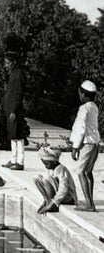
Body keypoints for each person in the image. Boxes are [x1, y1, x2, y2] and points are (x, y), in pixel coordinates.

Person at [70, 80, 100, 212]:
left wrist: (75, 147)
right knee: (88, 172)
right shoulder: (94, 107)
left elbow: (80, 129)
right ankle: (90, 201)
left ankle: (89, 203)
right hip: (95, 143)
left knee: (80, 172)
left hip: (87, 143)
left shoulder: (83, 108)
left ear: (83, 94)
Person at [1, 39, 27, 171]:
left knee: (18, 136)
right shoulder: (13, 73)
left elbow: (18, 93)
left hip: (14, 110)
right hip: (9, 109)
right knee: (12, 136)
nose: (5, 65)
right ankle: (13, 159)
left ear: (13, 62)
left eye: (7, 62)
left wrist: (14, 110)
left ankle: (20, 162)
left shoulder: (19, 73)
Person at [33, 146, 77, 214]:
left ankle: (52, 203)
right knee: (36, 178)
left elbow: (63, 189)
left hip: (68, 197)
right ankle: (46, 200)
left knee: (47, 179)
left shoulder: (60, 169)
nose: (45, 166)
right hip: (58, 195)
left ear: (53, 162)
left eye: (47, 164)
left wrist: (55, 201)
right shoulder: (51, 168)